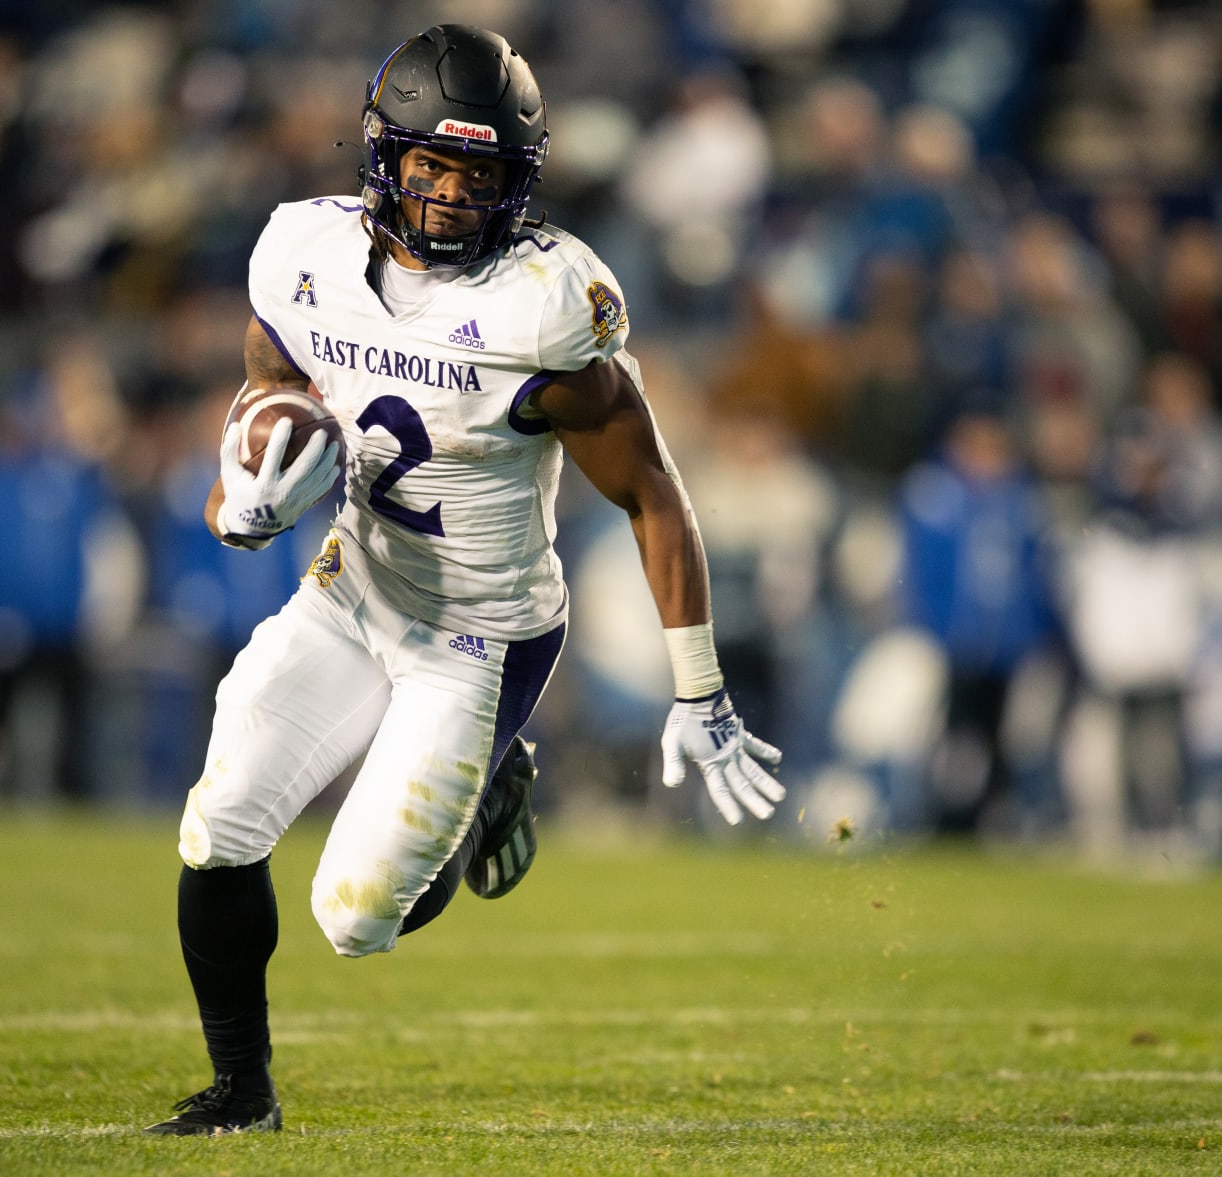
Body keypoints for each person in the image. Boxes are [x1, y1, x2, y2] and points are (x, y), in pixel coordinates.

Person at [145, 25, 785, 1136]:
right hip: (353, 592)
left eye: (477, 174)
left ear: (516, 184)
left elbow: (651, 492)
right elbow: (268, 395)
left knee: (353, 917)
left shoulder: (544, 305)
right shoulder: (304, 255)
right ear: (383, 159)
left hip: (480, 636)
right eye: (430, 167)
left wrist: (700, 685)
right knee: (222, 821)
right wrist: (240, 503)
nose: (447, 197)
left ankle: (489, 789)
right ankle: (240, 1091)